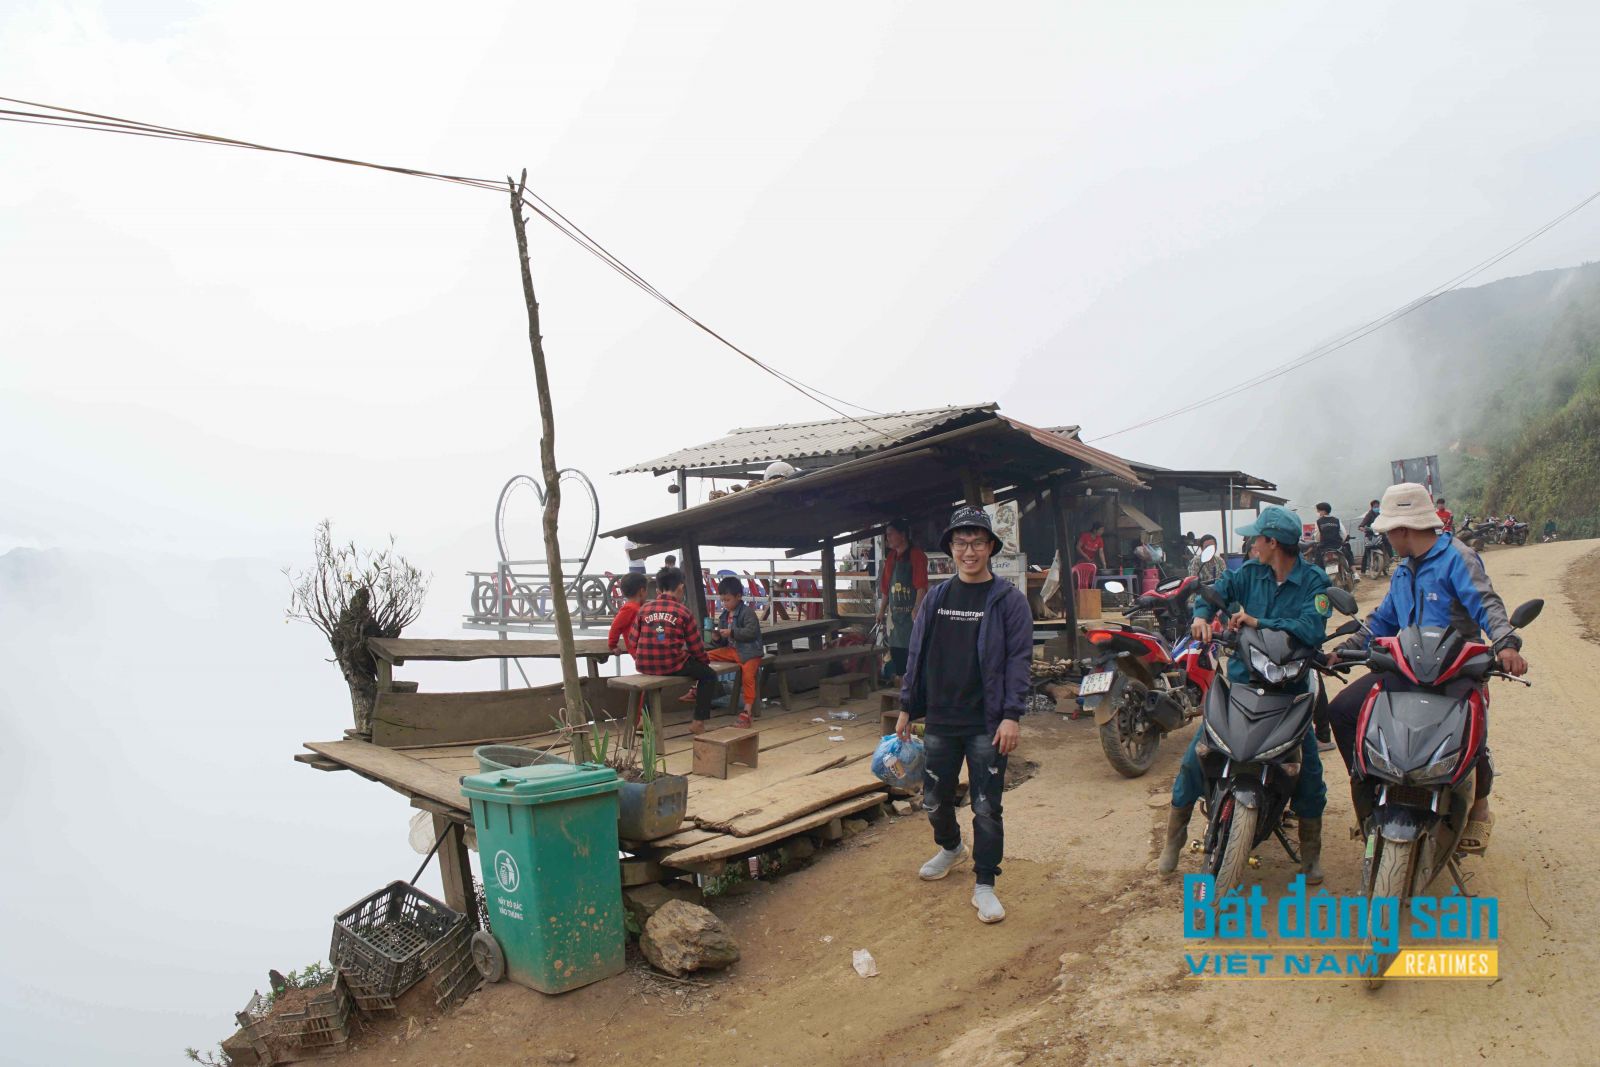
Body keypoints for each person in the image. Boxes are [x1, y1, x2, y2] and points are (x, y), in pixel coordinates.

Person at [1325, 483, 1527, 854]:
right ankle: (1371, 791)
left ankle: (1479, 810)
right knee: (1342, 711)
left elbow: (1488, 606)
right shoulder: (1403, 570)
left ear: (1404, 529)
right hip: (1406, 666)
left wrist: (1507, 643)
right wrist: (1347, 648)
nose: (1386, 538)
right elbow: (1382, 619)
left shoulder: (1457, 559)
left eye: (1389, 531)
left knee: (1471, 738)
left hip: (1456, 670)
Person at [1157, 505, 1332, 884]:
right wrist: (1201, 615)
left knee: (1308, 771)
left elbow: (1312, 628)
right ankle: (1176, 834)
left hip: (1290, 690)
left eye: (1257, 538)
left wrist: (1259, 621)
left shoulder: (1315, 581)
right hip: (1242, 682)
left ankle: (1311, 850)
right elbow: (1214, 594)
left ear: (1273, 543)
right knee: (1199, 752)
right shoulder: (1248, 574)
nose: (1251, 543)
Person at [896, 506, 1033, 924]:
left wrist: (1012, 715)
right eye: (960, 542)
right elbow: (916, 655)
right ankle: (952, 847)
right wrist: (906, 707)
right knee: (934, 798)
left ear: (991, 547)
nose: (968, 550)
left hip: (987, 723)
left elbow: (1018, 661)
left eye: (977, 542)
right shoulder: (937, 597)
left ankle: (985, 884)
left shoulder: (1009, 601)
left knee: (987, 806)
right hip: (940, 718)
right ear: (950, 549)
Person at [628, 567, 719, 734]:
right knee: (709, 676)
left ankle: (643, 719)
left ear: (657, 590)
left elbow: (632, 640)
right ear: (680, 588)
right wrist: (704, 662)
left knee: (655, 673)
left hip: (644, 665)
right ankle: (698, 722)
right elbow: (696, 647)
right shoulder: (683, 612)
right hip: (671, 664)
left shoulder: (643, 610)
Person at [876, 519, 929, 686]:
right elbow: (885, 589)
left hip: (912, 615)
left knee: (914, 652)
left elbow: (921, 586)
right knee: (897, 653)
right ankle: (901, 690)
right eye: (887, 535)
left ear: (903, 535)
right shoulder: (891, 557)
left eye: (891, 534)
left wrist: (917, 608)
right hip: (895, 617)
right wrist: (881, 611)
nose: (888, 539)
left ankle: (914, 690)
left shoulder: (917, 555)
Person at [706, 575, 763, 728]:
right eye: (722, 600)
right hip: (732, 650)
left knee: (748, 677)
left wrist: (731, 632)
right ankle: (697, 687)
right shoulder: (724, 616)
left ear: (738, 596)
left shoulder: (747, 613)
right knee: (705, 656)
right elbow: (724, 642)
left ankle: (747, 711)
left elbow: (751, 632)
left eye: (727, 600)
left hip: (750, 653)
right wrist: (717, 638)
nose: (724, 603)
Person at [607, 572, 648, 655]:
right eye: (646, 591)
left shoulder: (637, 608)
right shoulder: (629, 609)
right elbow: (615, 626)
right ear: (642, 591)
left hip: (644, 650)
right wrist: (613, 645)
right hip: (640, 653)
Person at [1313, 502, 1357, 575]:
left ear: (1323, 511)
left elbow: (1317, 536)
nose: (1318, 513)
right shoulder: (1337, 520)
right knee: (1348, 555)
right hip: (1337, 546)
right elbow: (1343, 534)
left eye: (1318, 511)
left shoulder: (1318, 522)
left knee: (1318, 562)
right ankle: (1355, 574)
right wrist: (1341, 542)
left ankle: (1320, 577)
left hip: (1324, 547)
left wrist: (1318, 541)